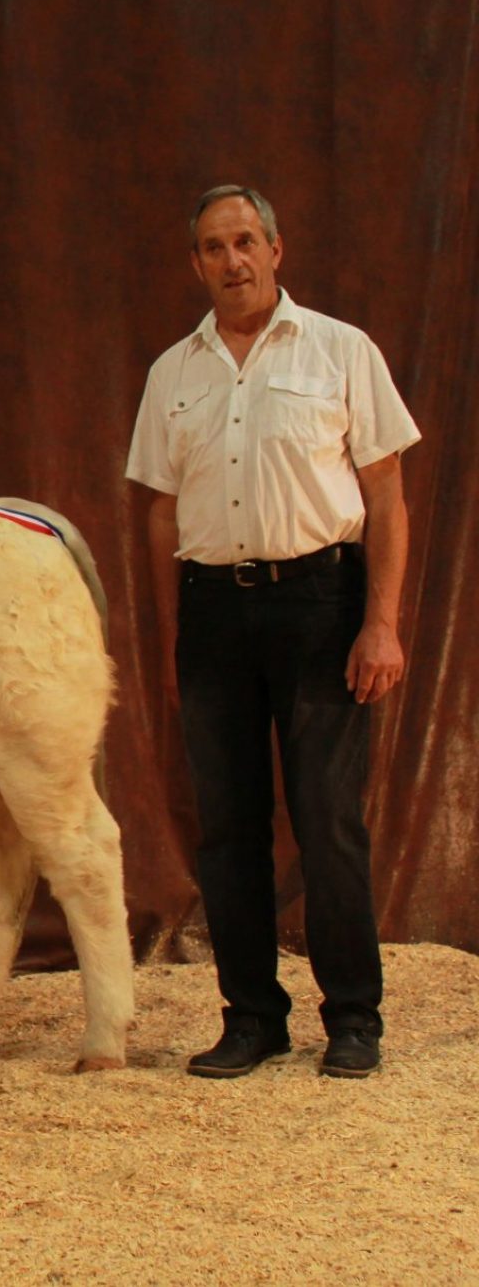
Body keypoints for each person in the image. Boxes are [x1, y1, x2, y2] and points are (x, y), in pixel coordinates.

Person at [127, 185, 419, 1080]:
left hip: (320, 604)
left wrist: (380, 623)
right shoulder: (172, 372)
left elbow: (387, 498)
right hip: (213, 613)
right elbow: (159, 515)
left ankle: (354, 1021)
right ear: (197, 264)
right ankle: (252, 1018)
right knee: (227, 829)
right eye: (214, 248)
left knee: (329, 820)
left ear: (277, 248)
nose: (233, 261)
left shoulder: (341, 351)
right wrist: (177, 640)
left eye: (246, 241)